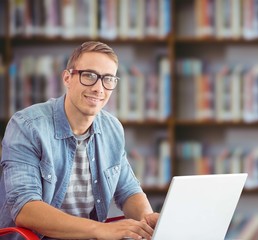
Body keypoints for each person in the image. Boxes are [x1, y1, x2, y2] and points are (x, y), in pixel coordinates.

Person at [0, 41, 159, 240]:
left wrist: (149, 221)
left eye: (108, 79)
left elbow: (128, 190)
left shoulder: (112, 128)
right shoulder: (26, 126)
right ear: (67, 78)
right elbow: (25, 208)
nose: (98, 88)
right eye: (89, 76)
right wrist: (100, 230)